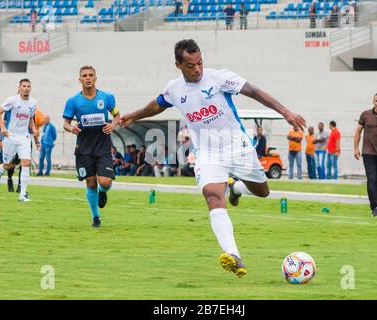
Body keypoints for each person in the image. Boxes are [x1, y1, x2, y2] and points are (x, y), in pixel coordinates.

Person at [119, 39, 306, 277]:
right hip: (207, 154)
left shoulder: (219, 78)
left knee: (263, 192)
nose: (197, 69)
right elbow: (157, 105)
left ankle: (236, 188)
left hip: (237, 147)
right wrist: (133, 116)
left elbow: (255, 92)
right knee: (212, 195)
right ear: (178, 65)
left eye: (199, 63)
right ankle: (234, 255)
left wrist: (286, 112)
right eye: (190, 65)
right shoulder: (174, 88)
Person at [62, 66, 121, 228]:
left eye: (91, 75)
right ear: (80, 79)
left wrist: (113, 125)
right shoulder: (73, 101)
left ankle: (103, 192)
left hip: (103, 146)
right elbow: (66, 123)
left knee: (105, 182)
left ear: (96, 78)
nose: (88, 78)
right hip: (84, 147)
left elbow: (117, 115)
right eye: (84, 76)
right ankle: (96, 217)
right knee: (90, 182)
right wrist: (71, 128)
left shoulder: (107, 98)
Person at [0, 79, 38, 202]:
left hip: (24, 137)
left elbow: (31, 118)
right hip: (10, 137)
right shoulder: (12, 100)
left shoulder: (33, 103)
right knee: (7, 165)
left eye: (28, 86)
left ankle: (22, 195)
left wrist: (33, 129)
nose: (26, 88)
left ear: (30, 88)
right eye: (24, 86)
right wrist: (2, 127)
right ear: (19, 88)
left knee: (26, 162)